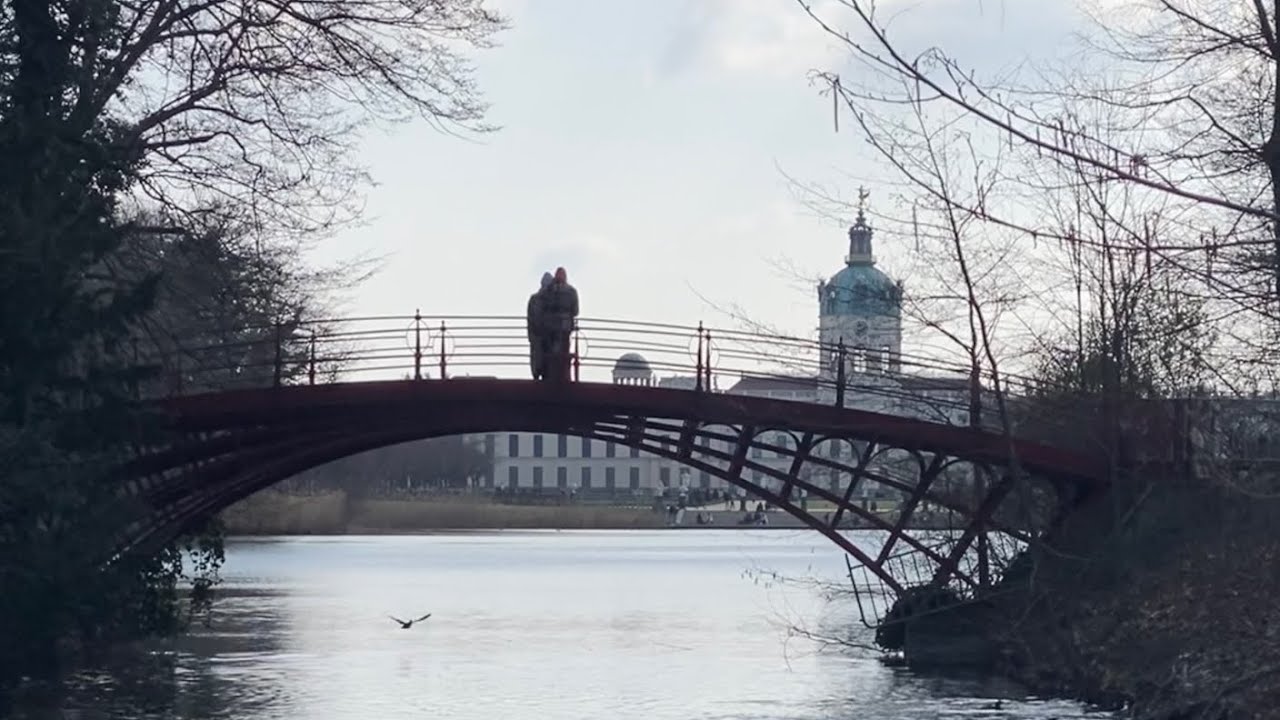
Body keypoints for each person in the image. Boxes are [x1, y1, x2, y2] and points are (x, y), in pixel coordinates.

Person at [540, 266, 579, 382]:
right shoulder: (572, 291)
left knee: (552, 352)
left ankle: (552, 375)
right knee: (564, 352)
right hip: (566, 325)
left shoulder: (549, 291)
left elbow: (544, 307)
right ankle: (563, 376)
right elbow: (576, 311)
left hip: (551, 326)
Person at [526, 272, 553, 379]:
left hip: (539, 334)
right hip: (543, 334)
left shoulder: (534, 299)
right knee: (542, 358)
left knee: (538, 358)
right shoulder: (544, 299)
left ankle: (538, 374)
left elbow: (530, 317)